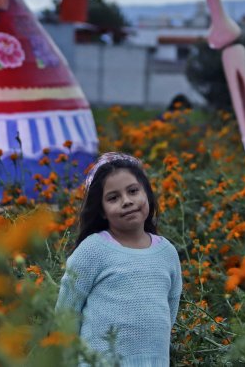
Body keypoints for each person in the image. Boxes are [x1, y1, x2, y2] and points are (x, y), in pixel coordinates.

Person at [56, 152, 182, 366]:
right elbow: (66, 312)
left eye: (133, 191)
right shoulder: (93, 250)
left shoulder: (167, 253)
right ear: (102, 211)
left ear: (148, 195)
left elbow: (170, 311)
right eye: (113, 198)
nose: (127, 201)